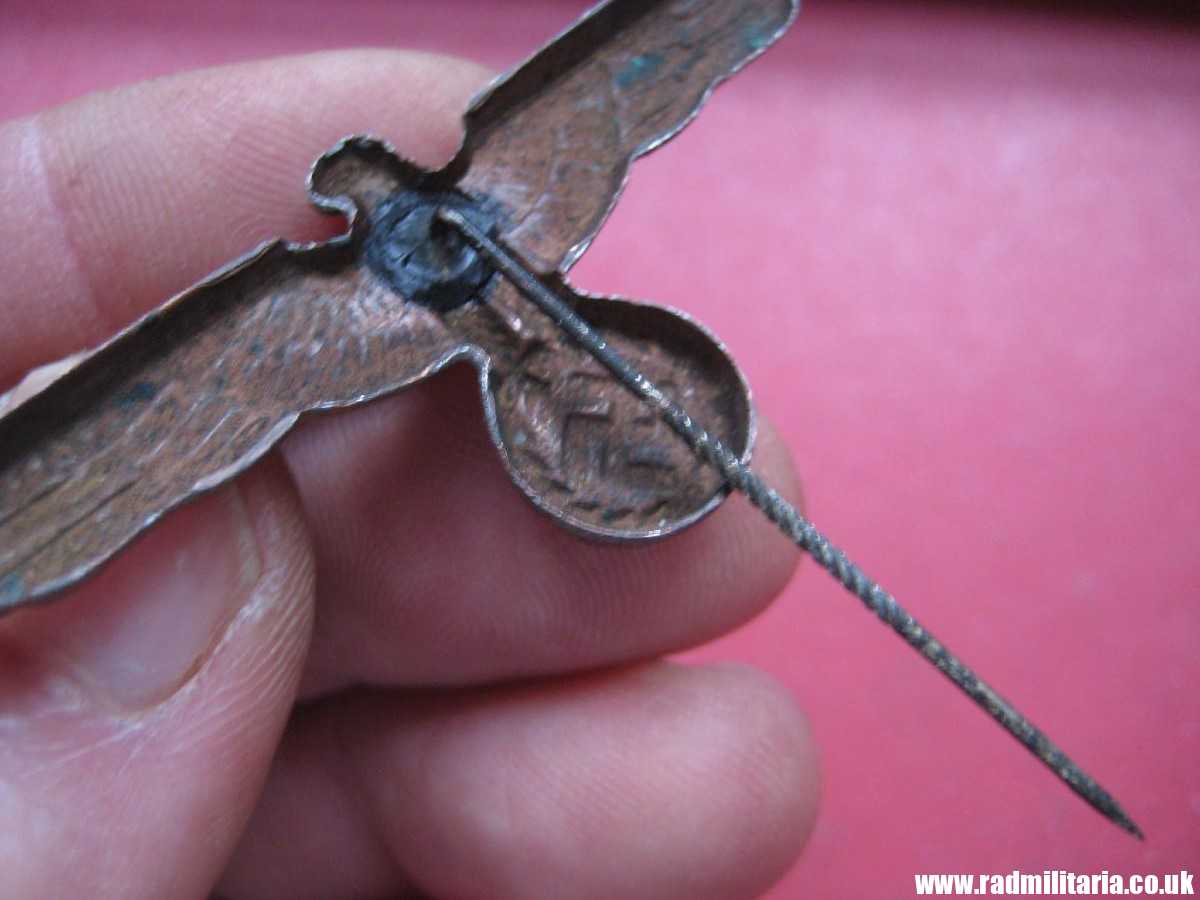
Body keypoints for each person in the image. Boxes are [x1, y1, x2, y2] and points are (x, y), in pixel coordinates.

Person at [0, 51, 819, 899]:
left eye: (368, 176)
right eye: (354, 186)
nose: (368, 190)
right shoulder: (306, 308)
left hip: (597, 390)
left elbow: (620, 78)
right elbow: (205, 380)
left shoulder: (509, 170)